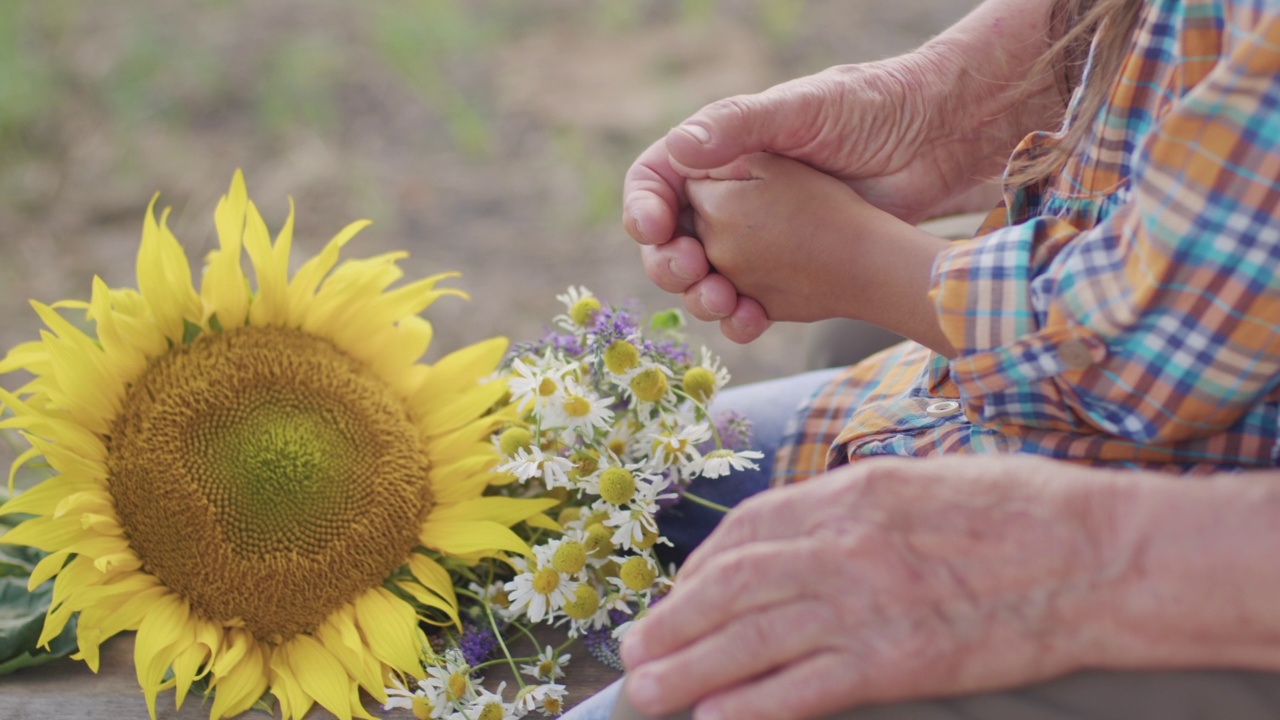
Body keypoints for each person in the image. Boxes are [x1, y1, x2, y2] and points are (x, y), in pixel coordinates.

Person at [561, 0, 1280, 717]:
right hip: (1040, 430)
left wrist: (858, 261)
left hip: (1201, 527)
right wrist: (957, 102)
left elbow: (1139, 360)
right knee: (563, 474)